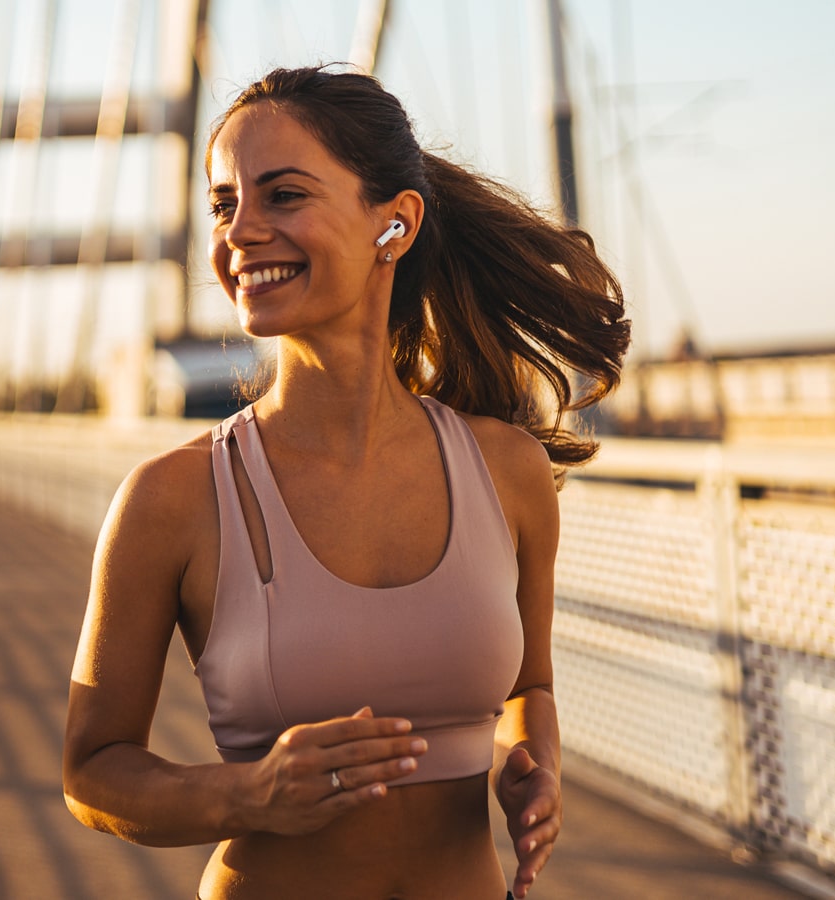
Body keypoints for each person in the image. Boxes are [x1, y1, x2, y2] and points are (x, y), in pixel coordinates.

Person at [63, 65, 629, 899]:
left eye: (282, 195)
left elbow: (528, 688)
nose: (239, 231)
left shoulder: (505, 471)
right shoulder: (174, 499)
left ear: (393, 225)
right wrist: (248, 794)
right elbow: (92, 772)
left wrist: (530, 764)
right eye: (224, 205)